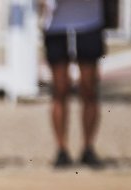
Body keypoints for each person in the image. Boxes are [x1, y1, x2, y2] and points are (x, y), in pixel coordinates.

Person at [42, 0, 106, 169]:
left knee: (89, 88)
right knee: (60, 88)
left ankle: (88, 147)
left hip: (89, 21)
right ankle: (61, 148)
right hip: (56, 23)